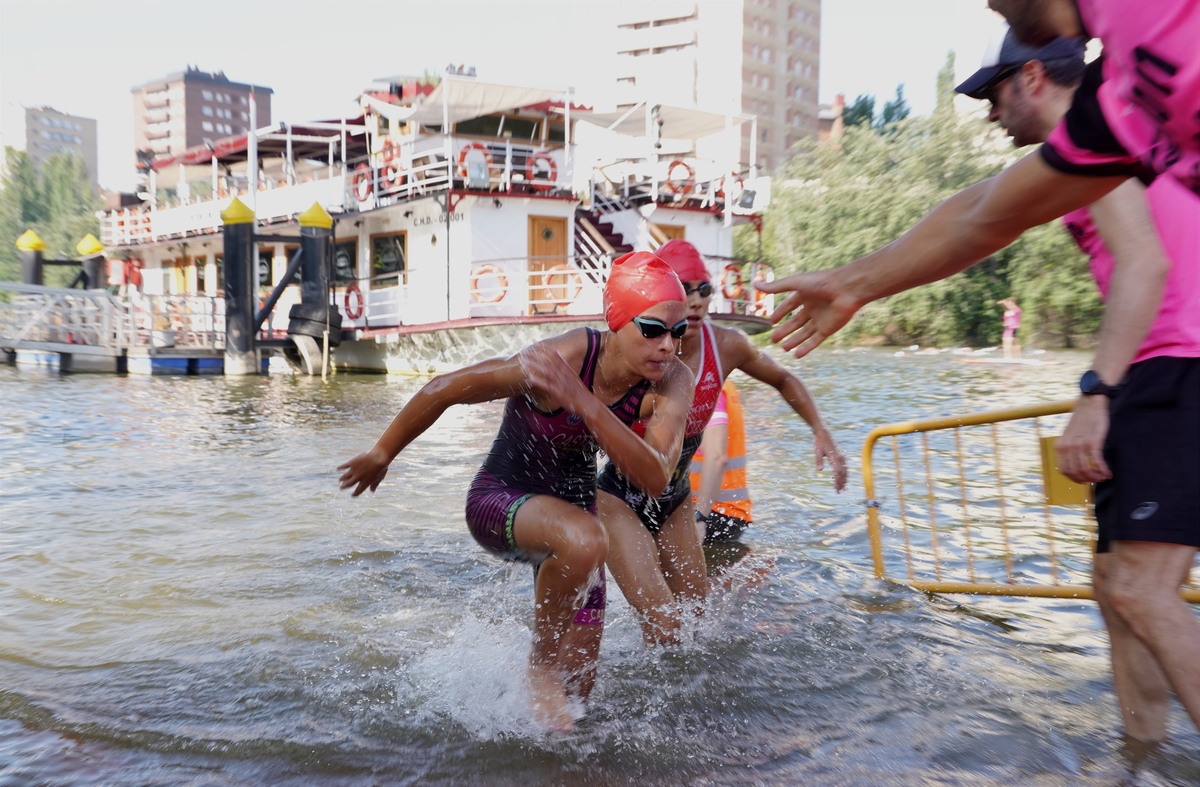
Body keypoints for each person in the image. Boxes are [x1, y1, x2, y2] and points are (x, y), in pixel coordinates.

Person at [955, 26, 1200, 751]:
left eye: (994, 96)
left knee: (1140, 590)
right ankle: (1139, 757)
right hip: (1151, 371)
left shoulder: (1105, 138)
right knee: (1111, 585)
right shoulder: (1098, 148)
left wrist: (1096, 392)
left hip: (1177, 363)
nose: (992, 115)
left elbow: (1147, 267)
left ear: (1033, 77)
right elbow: (977, 214)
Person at [338, 251, 694, 733]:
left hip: (575, 528)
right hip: (500, 501)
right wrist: (383, 452)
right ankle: (538, 666)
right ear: (616, 321)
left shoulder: (673, 381)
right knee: (589, 539)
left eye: (679, 332)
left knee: (577, 702)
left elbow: (654, 478)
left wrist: (582, 401)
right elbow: (448, 387)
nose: (668, 345)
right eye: (652, 329)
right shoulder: (561, 359)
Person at [597, 239, 847, 646]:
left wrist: (820, 430)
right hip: (620, 498)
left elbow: (783, 378)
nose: (695, 301)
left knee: (698, 627)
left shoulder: (727, 346)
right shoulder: (634, 348)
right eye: (685, 289)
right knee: (664, 623)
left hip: (675, 497)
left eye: (704, 289)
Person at [690, 378, 752, 545]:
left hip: (709, 511)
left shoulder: (703, 385)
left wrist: (699, 518)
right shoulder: (721, 383)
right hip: (730, 513)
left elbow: (716, 457)